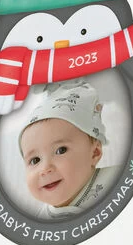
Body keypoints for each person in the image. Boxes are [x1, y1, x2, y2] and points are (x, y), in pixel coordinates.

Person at [19, 80, 122, 219]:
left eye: (61, 150)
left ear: (94, 153)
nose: (45, 169)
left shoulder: (116, 180)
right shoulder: (41, 219)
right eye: (35, 160)